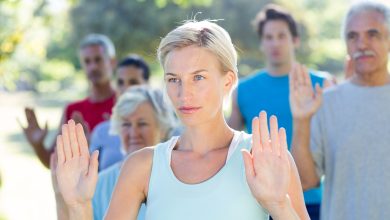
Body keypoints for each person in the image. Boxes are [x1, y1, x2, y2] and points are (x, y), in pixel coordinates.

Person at [55, 20, 309, 220]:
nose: (183, 93)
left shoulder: (265, 157)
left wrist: (278, 205)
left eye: (198, 77)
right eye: (173, 79)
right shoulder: (142, 166)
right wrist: (78, 206)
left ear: (228, 81)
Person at [228, 4, 333, 219]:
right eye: (268, 37)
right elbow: (227, 144)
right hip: (260, 200)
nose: (275, 43)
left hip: (313, 200)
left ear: (295, 40)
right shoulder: (243, 90)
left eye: (281, 36)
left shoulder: (322, 85)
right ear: (261, 42)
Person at [290, 2, 390, 219]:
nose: (362, 44)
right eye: (352, 36)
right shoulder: (327, 102)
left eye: (372, 34)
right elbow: (305, 181)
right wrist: (301, 120)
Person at [51, 86, 177, 220]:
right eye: (126, 124)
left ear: (162, 128)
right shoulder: (98, 183)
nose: (133, 133)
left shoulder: (180, 177)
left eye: (142, 124)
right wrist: (61, 197)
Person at [19, 34, 117, 168]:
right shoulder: (74, 110)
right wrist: (38, 146)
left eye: (98, 60)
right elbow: (54, 162)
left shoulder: (124, 105)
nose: (93, 66)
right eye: (87, 61)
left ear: (112, 62)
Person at [89, 55, 151, 171]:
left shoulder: (165, 130)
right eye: (120, 82)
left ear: (147, 85)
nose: (126, 88)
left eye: (133, 82)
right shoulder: (101, 131)